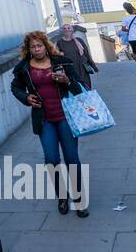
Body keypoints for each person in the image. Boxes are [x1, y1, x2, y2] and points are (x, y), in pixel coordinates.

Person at [10, 31, 90, 218]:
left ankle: (79, 200)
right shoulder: (23, 68)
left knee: (71, 158)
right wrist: (26, 97)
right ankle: (62, 196)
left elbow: (80, 87)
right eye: (33, 47)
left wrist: (67, 80)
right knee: (52, 160)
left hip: (66, 118)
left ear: (46, 46)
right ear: (28, 50)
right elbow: (15, 87)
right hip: (44, 120)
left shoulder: (62, 62)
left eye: (40, 46)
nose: (37, 50)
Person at [58, 22, 98, 90]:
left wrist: (94, 67)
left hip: (82, 69)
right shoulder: (60, 43)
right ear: (62, 31)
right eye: (64, 28)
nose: (67, 30)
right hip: (71, 70)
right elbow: (58, 57)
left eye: (68, 28)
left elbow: (87, 54)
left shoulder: (79, 40)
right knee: (76, 89)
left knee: (86, 88)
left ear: (72, 30)